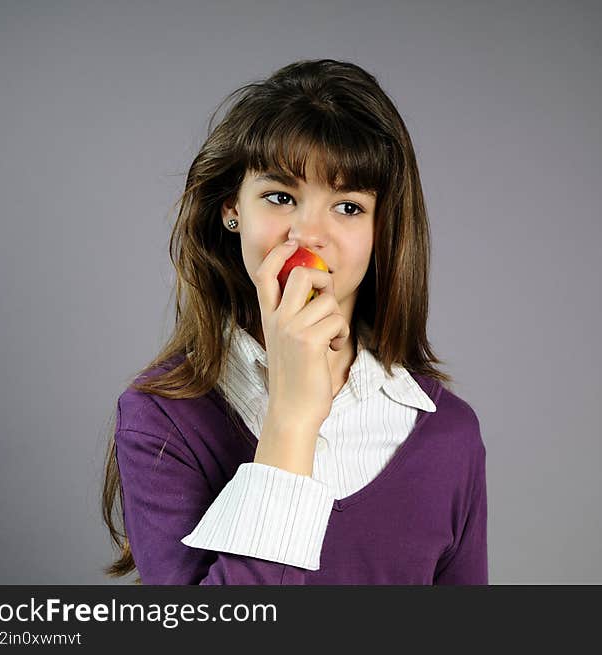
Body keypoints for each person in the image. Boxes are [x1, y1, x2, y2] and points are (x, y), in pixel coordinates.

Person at [100, 58, 488, 585]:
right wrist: (292, 419)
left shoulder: (448, 433)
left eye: (348, 207)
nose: (308, 234)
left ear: (383, 231)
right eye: (281, 197)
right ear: (230, 208)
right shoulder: (161, 421)